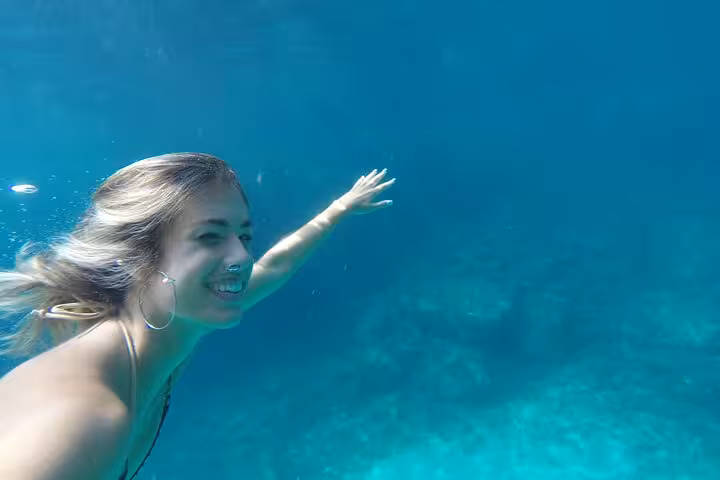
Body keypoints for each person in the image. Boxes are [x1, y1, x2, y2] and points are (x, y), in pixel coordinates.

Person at [0, 153, 395, 480]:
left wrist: (336, 212)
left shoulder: (174, 325)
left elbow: (273, 268)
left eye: (244, 236)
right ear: (138, 260)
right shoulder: (83, 420)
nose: (242, 257)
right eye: (209, 236)